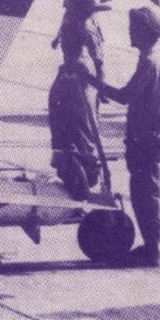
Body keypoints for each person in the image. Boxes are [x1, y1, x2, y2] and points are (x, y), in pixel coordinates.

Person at [89, 7, 160, 266]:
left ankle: (152, 250)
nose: (130, 33)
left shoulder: (149, 62)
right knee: (147, 190)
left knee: (144, 193)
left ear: (145, 32)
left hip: (145, 136)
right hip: (157, 132)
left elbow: (126, 96)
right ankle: (151, 246)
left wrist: (93, 82)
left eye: (133, 29)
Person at [49, 38, 102, 200]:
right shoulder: (73, 67)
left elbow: (72, 107)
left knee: (74, 150)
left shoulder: (76, 70)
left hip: (75, 127)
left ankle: (82, 193)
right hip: (77, 126)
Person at [53, 0, 111, 89]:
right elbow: (66, 12)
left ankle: (102, 90)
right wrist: (57, 36)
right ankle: (72, 90)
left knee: (98, 61)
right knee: (69, 61)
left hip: (88, 25)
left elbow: (109, 4)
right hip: (71, 26)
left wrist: (91, 8)